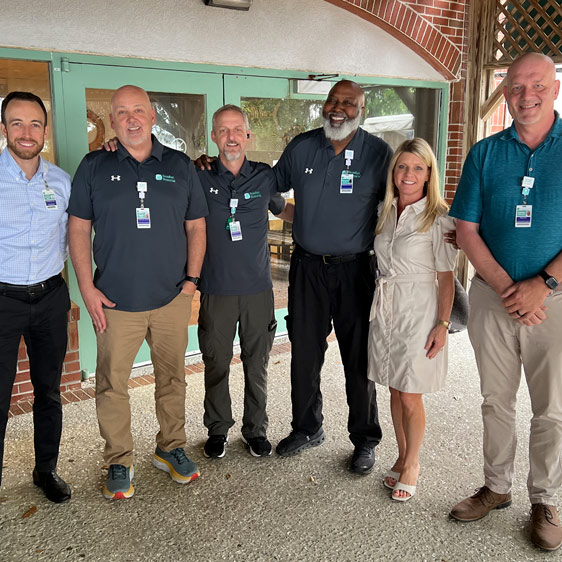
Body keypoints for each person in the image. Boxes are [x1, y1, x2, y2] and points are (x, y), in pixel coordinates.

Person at [68, 85, 208, 500]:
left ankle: (171, 449)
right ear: (112, 121)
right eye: (122, 113)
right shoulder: (95, 165)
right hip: (114, 302)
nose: (131, 119)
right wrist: (87, 288)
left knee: (173, 379)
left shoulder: (180, 166)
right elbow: (78, 227)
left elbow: (196, 226)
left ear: (152, 116)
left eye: (138, 111)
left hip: (170, 299)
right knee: (112, 384)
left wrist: (191, 284)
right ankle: (119, 460)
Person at [449, 53, 562, 551]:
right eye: (516, 87)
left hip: (556, 302)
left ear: (554, 89)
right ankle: (497, 488)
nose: (526, 95)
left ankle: (547, 499)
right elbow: (466, 230)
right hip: (493, 300)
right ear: (506, 92)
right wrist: (505, 288)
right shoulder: (485, 153)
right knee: (496, 401)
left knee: (553, 408)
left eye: (536, 85)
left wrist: (545, 285)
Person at [274, 80, 393, 474]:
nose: (337, 108)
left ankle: (365, 439)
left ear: (362, 109)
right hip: (307, 268)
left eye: (348, 103)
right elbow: (269, 189)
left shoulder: (378, 154)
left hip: (355, 270)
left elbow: (400, 202)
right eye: (332, 101)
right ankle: (307, 428)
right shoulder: (302, 147)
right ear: (323, 105)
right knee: (305, 353)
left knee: (358, 358)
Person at [196, 104, 293, 459]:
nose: (231, 137)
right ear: (214, 136)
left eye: (238, 129)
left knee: (258, 363)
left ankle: (256, 430)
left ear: (248, 135)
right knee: (216, 362)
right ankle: (218, 429)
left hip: (257, 290)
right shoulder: (200, 175)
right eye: (223, 130)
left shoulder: (265, 177)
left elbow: (284, 210)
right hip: (216, 289)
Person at [367, 138, 456, 501]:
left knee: (410, 393)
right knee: (392, 386)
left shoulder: (438, 218)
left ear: (428, 173)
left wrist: (443, 323)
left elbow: (447, 276)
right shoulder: (384, 211)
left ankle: (414, 463)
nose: (409, 174)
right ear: (394, 171)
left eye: (418, 168)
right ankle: (401, 455)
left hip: (419, 308)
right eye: (403, 166)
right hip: (386, 305)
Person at [0, 91, 71, 503]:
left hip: (49, 298)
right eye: (17, 123)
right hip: (3, 302)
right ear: (4, 129)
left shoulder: (60, 181)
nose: (27, 133)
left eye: (35, 124)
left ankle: (46, 469)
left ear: (45, 130)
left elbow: (68, 239)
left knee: (48, 391)